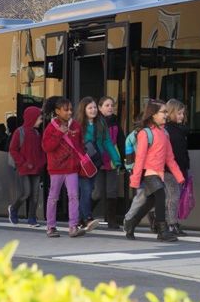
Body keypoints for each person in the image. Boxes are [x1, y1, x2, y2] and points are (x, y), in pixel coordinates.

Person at [124, 100, 183, 242]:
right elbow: (140, 158)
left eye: (166, 112)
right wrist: (135, 180)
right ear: (153, 115)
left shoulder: (165, 133)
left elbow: (170, 158)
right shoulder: (145, 133)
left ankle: (131, 223)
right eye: (163, 112)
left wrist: (179, 176)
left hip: (159, 173)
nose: (166, 114)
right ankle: (162, 231)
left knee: (149, 202)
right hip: (149, 173)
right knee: (161, 195)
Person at [41, 97, 85, 238]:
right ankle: (51, 227)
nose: (69, 112)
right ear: (57, 111)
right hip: (56, 168)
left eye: (71, 109)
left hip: (72, 167)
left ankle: (73, 226)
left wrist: (80, 161)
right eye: (66, 110)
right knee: (53, 197)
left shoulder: (76, 126)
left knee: (73, 196)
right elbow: (46, 147)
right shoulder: (51, 127)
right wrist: (60, 133)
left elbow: (80, 145)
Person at [75, 97, 121, 232]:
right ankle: (86, 218)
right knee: (87, 191)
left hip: (96, 162)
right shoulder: (78, 125)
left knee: (88, 191)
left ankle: (80, 218)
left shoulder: (101, 123)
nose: (93, 110)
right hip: (83, 163)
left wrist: (116, 159)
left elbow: (107, 142)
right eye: (90, 108)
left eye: (94, 107)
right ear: (83, 110)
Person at [7, 106, 44, 228]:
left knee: (35, 195)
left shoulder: (37, 133)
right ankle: (13, 209)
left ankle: (32, 218)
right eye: (39, 118)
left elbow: (40, 151)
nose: (41, 121)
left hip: (36, 169)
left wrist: (42, 163)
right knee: (26, 193)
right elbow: (13, 149)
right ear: (32, 118)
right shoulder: (19, 132)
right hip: (24, 169)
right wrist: (22, 163)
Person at [97, 96, 124, 230]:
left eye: (112, 105)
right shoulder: (95, 122)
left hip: (113, 161)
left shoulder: (115, 122)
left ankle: (112, 220)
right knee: (97, 192)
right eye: (107, 105)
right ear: (100, 108)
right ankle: (83, 217)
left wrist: (122, 160)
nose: (110, 108)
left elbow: (121, 141)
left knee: (112, 191)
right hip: (98, 160)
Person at [163, 98, 189, 237]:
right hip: (170, 170)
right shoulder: (170, 131)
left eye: (183, 114)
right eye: (179, 113)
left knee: (172, 196)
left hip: (176, 169)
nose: (182, 116)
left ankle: (169, 222)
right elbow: (175, 154)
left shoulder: (176, 130)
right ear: (171, 113)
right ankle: (171, 224)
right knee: (173, 196)